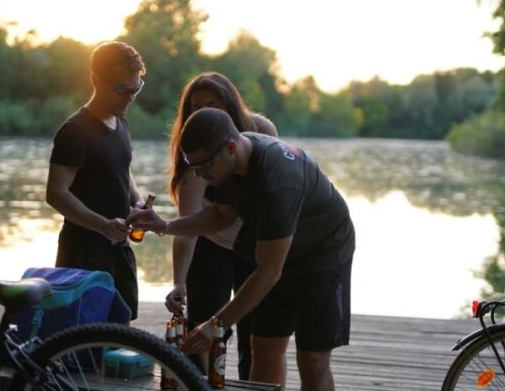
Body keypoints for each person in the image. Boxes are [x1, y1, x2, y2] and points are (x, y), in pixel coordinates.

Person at [128, 108, 355, 390]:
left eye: (204, 166)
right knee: (262, 346)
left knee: (312, 360)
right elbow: (220, 217)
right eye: (193, 166)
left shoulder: (275, 182)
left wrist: (215, 324)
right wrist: (164, 225)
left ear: (231, 148)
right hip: (279, 252)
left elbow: (269, 272)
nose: (200, 174)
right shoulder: (227, 165)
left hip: (324, 255)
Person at [166, 72, 277, 378]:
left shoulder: (261, 130)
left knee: (254, 333)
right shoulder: (192, 151)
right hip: (211, 241)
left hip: (253, 243)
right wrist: (179, 282)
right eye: (195, 106)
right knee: (205, 326)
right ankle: (199, 384)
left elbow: (274, 196)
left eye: (211, 104)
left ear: (230, 104)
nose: (202, 112)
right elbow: (187, 222)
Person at [45, 41, 147, 320]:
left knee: (121, 336)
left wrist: (136, 202)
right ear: (95, 80)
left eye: (136, 89)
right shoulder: (74, 131)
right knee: (81, 341)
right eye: (121, 89)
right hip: (82, 255)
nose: (129, 98)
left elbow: (122, 171)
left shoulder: (121, 121)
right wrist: (102, 225)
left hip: (119, 251)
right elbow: (55, 193)